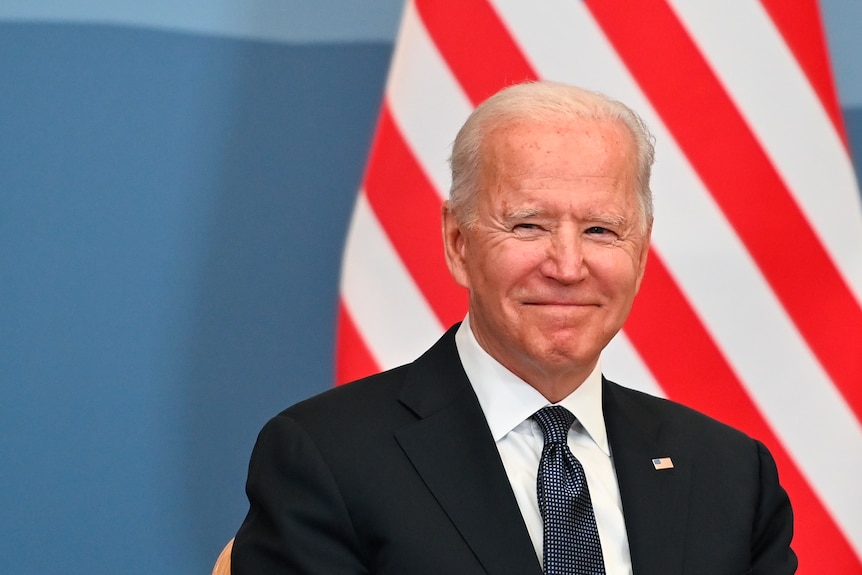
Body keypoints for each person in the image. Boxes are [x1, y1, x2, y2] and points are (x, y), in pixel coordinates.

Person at [231, 81, 797, 574]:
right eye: (528, 225)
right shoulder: (328, 458)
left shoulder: (729, 474)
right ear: (458, 244)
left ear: (642, 252)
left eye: (601, 230)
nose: (568, 266)